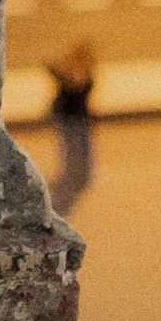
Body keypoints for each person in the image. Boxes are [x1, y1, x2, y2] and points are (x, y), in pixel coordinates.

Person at [44, 43, 97, 218]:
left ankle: (53, 206)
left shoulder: (83, 75)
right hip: (72, 122)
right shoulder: (72, 76)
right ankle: (53, 206)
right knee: (77, 168)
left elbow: (76, 85)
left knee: (80, 169)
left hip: (76, 122)